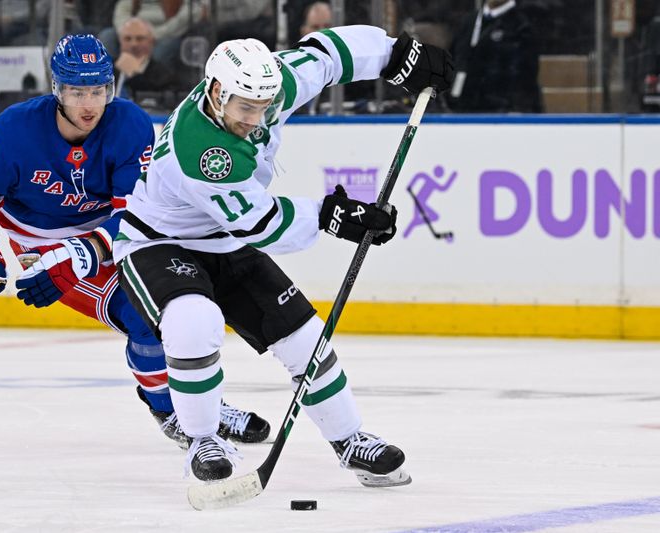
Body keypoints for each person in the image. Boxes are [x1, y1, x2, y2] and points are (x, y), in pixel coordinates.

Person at [113, 27, 453, 482]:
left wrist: (396, 53)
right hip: (158, 243)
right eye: (245, 108)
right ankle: (204, 439)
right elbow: (260, 223)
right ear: (216, 92)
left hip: (225, 239)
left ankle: (350, 440)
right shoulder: (200, 152)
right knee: (193, 322)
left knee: (304, 339)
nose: (256, 117)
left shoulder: (270, 84)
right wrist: (333, 216)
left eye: (263, 107)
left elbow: (326, 55)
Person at [0, 34, 270, 450]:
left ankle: (200, 406)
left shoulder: (129, 125)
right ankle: (172, 413)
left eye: (98, 90)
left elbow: (131, 213)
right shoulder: (17, 130)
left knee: (182, 310)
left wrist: (90, 249)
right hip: (43, 243)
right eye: (77, 91)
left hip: (116, 233)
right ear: (57, 89)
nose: (89, 105)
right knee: (143, 317)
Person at [448, 0, 543, 113]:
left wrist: (517, 110)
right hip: (462, 111)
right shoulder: (468, 22)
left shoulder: (523, 25)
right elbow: (454, 62)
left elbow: (525, 79)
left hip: (504, 114)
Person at [113, 17, 176, 100]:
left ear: (151, 42)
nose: (133, 44)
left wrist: (134, 75)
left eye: (140, 39)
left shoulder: (164, 75)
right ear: (120, 42)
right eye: (127, 39)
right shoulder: (106, 69)